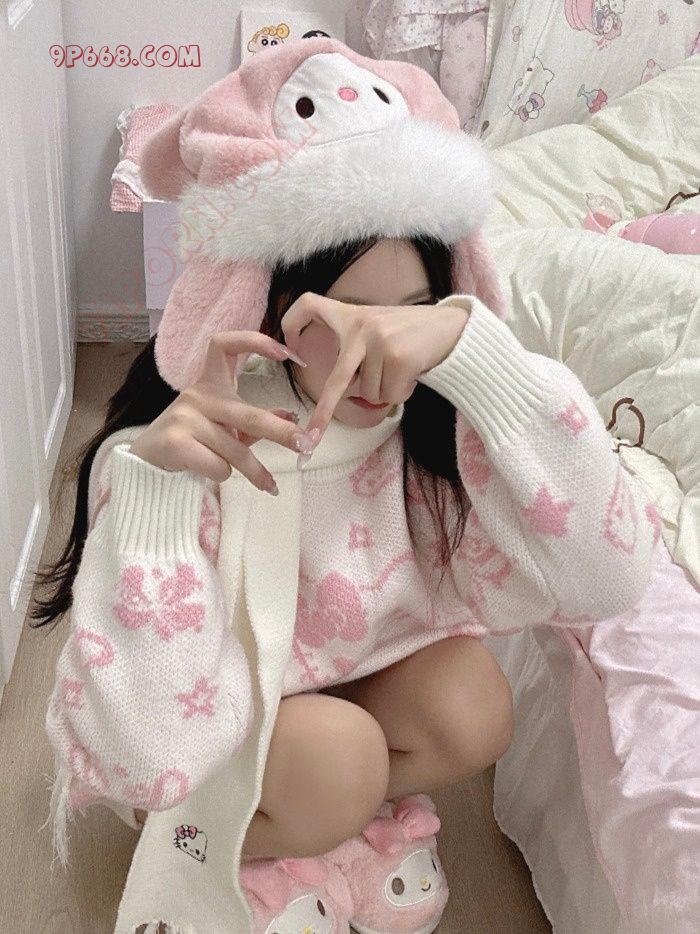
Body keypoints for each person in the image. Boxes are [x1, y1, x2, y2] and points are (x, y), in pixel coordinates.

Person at [32, 37, 660, 934]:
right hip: (196, 735)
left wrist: (478, 358)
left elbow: (611, 577)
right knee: (338, 762)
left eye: (411, 316)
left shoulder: (433, 420)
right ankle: (260, 842)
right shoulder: (187, 448)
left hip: (333, 698)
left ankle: (324, 823)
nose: (378, 354)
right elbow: (147, 749)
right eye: (341, 316)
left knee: (473, 703)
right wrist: (155, 500)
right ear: (259, 300)